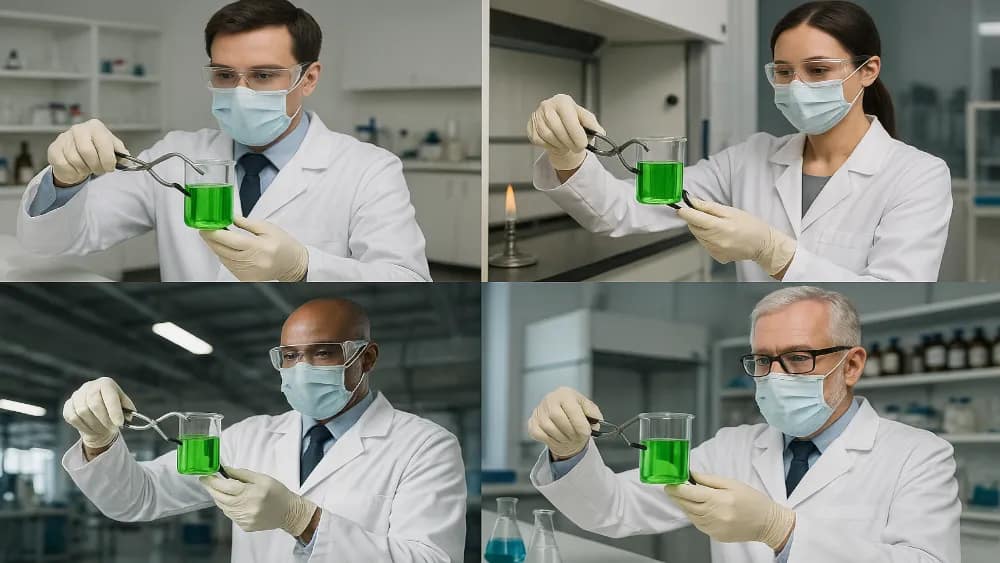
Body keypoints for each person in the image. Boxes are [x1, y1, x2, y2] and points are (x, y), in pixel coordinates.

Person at [527, 286, 960, 563]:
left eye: (798, 358)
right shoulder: (731, 448)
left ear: (851, 365)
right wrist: (569, 449)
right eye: (762, 360)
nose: (774, 376)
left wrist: (781, 530)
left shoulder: (919, 455)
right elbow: (615, 508)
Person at [527, 1, 951, 282]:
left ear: (868, 71)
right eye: (783, 71)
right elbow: (620, 211)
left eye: (818, 70)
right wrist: (567, 155)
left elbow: (894, 289)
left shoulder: (918, 176)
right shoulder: (749, 159)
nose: (797, 86)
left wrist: (774, 252)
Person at [17, 0, 430, 282]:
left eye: (263, 75)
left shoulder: (368, 169)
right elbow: (55, 241)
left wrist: (304, 267)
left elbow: (407, 278)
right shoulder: (175, 155)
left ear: (309, 78)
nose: (240, 92)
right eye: (225, 75)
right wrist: (65, 179)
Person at [61, 298, 465, 562]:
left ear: (368, 357)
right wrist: (99, 441)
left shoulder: (425, 446)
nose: (302, 369)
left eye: (323, 353)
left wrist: (303, 520)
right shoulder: (248, 438)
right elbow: (139, 497)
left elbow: (432, 559)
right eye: (290, 356)